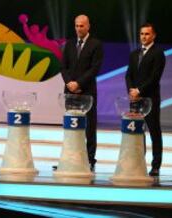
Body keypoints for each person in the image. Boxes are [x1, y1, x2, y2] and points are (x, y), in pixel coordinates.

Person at [59, 14, 104, 171]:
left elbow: (94, 68)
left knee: (89, 127)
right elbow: (63, 67)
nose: (79, 28)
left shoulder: (96, 44)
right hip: (70, 91)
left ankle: (90, 158)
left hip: (87, 92)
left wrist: (78, 83)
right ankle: (69, 157)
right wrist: (70, 83)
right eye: (77, 26)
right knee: (71, 125)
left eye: (82, 26)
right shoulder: (69, 44)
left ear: (88, 26)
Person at [125, 23, 166, 177]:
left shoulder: (158, 53)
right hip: (135, 99)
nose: (144, 36)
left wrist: (139, 90)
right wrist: (131, 90)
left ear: (153, 35)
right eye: (142, 34)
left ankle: (156, 165)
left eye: (147, 34)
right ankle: (137, 160)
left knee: (154, 131)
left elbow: (155, 77)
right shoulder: (134, 54)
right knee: (136, 131)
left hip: (150, 99)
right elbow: (128, 74)